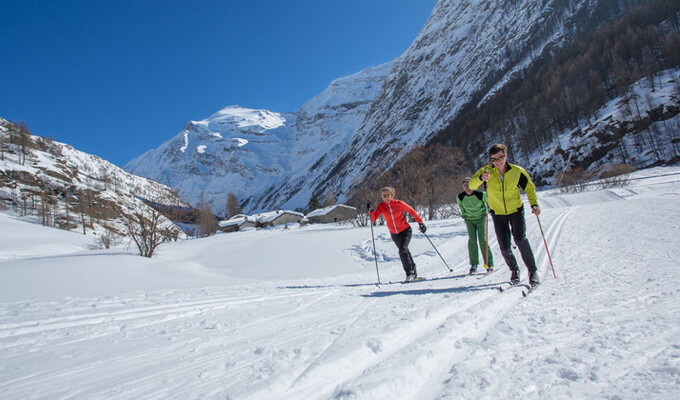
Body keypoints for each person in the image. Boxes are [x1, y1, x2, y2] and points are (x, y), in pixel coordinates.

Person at [468, 144, 541, 287]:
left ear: (506, 156)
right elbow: (471, 185)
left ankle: (532, 272)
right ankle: (514, 270)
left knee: (520, 240)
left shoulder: (517, 171)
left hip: (516, 210)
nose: (498, 161)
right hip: (498, 213)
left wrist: (534, 204)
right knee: (504, 247)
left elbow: (529, 187)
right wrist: (481, 178)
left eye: (500, 157)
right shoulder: (486, 172)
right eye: (494, 159)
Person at [367, 187, 426, 282]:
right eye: (383, 196)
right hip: (394, 233)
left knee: (402, 249)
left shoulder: (398, 203)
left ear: (392, 195)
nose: (385, 197)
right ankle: (413, 270)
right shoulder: (381, 206)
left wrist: (420, 222)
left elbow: (411, 211)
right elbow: (373, 219)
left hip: (405, 230)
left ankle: (409, 274)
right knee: (404, 250)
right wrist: (371, 210)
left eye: (387, 195)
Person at [456, 177, 494, 274]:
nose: (467, 187)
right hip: (469, 220)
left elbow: (489, 200)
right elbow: (461, 207)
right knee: (472, 241)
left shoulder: (480, 195)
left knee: (483, 240)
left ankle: (489, 264)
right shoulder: (460, 196)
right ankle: (474, 264)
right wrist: (465, 216)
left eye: (469, 185)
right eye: (465, 186)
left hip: (480, 218)